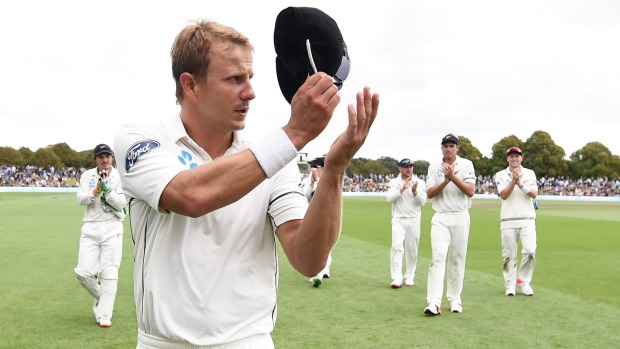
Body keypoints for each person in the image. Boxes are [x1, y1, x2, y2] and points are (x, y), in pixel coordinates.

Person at [113, 18, 379, 348]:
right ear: (191, 85)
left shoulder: (272, 154)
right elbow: (190, 194)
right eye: (235, 79)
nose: (250, 92)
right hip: (162, 343)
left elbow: (310, 260)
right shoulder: (142, 138)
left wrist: (335, 170)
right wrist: (294, 135)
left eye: (250, 77)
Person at [423, 133, 476, 315]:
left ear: (457, 148)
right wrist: (445, 181)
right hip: (441, 217)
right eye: (445, 145)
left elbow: (470, 191)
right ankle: (433, 302)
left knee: (457, 259)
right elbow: (429, 193)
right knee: (438, 258)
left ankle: (455, 299)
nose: (448, 148)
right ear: (441, 148)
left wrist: (453, 178)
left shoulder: (466, 165)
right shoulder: (434, 167)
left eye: (452, 146)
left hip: (460, 216)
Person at [74, 144, 126, 327]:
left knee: (110, 272)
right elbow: (80, 199)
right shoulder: (87, 176)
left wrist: (109, 191)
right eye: (100, 157)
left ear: (112, 157)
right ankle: (103, 298)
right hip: (90, 228)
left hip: (112, 227)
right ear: (95, 159)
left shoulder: (120, 176)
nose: (104, 160)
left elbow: (122, 204)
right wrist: (95, 191)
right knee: (82, 274)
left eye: (107, 156)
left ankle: (104, 315)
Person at [493, 146, 538, 296]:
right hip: (508, 219)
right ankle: (510, 285)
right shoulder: (500, 175)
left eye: (517, 156)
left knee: (530, 251)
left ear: (521, 158)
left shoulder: (529, 173)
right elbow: (503, 195)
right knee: (508, 255)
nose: (514, 159)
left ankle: (523, 281)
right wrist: (513, 181)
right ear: (507, 159)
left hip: (527, 218)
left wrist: (521, 184)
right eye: (511, 156)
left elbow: (534, 194)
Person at [386, 158, 427, 288]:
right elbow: (389, 199)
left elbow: (423, 202)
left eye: (410, 166)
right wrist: (402, 189)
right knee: (397, 247)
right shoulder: (394, 182)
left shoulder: (419, 182)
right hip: (398, 218)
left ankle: (410, 276)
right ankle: (397, 277)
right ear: (400, 168)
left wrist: (415, 192)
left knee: (412, 249)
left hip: (414, 219)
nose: (408, 169)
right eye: (405, 167)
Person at [300, 156, 333, 287]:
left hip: (326, 216)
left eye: (315, 167)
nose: (312, 170)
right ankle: (319, 271)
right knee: (313, 245)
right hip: (309, 216)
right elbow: (304, 198)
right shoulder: (307, 180)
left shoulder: (331, 179)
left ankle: (320, 272)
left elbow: (324, 196)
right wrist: (312, 184)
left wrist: (318, 181)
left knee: (325, 245)